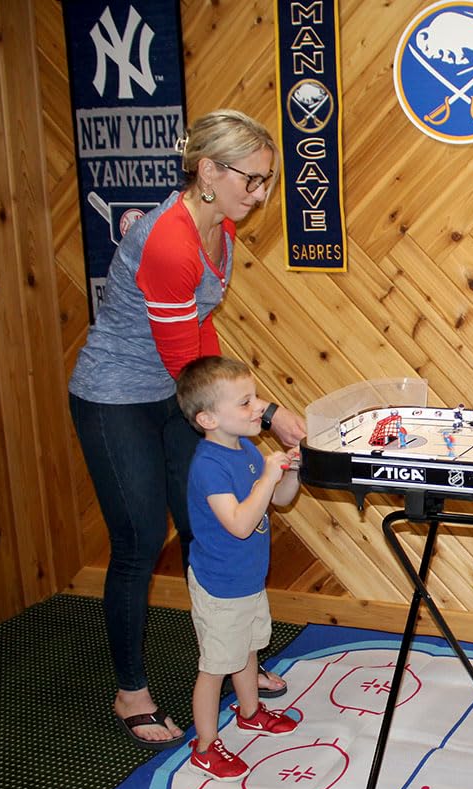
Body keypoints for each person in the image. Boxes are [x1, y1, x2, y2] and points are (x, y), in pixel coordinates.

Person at [69, 110, 307, 750]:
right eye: (251, 181)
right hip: (118, 399)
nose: (258, 196)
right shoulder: (170, 242)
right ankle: (131, 690)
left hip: (180, 394)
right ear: (207, 171)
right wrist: (267, 414)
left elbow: (203, 336)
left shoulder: (219, 231)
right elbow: (188, 368)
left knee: (205, 527)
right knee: (141, 540)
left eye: (266, 181)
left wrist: (254, 407)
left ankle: (236, 661)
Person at [176, 356, 300, 780]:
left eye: (254, 399)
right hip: (219, 586)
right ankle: (206, 746)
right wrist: (267, 477)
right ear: (208, 418)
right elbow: (241, 524)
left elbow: (279, 501)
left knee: (247, 649)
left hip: (247, 580)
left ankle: (250, 712)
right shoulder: (209, 466)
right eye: (245, 403)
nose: (258, 410)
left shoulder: (245, 448)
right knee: (213, 667)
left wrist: (289, 474)